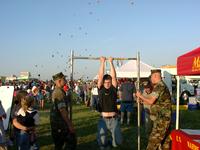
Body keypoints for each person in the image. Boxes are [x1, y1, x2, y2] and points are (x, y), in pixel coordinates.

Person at [136, 69, 172, 150]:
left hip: (162, 120)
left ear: (155, 76)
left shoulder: (160, 86)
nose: (150, 79)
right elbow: (156, 101)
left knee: (153, 143)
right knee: (165, 143)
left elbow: (151, 101)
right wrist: (142, 100)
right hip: (163, 119)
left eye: (151, 77)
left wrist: (140, 96)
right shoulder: (160, 85)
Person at [97, 57, 122, 150]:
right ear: (103, 83)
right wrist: (102, 62)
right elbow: (100, 76)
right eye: (106, 82)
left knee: (118, 142)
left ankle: (110, 144)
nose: (107, 84)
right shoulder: (101, 89)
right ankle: (105, 145)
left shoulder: (113, 89)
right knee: (102, 143)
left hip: (113, 119)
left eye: (109, 82)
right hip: (103, 119)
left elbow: (114, 77)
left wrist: (111, 62)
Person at [50, 72, 77, 150]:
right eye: (64, 79)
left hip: (57, 123)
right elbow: (62, 111)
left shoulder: (59, 91)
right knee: (71, 142)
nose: (65, 80)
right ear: (59, 81)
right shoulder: (59, 93)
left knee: (59, 145)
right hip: (60, 124)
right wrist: (70, 125)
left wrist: (68, 95)